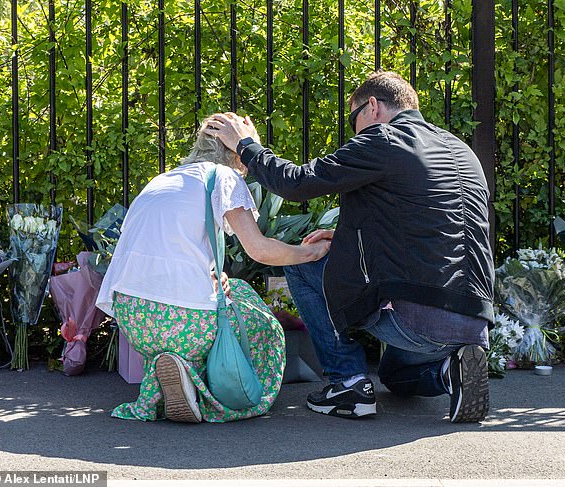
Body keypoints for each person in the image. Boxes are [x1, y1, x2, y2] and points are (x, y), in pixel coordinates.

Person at [204, 70, 495, 423]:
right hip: (473, 322)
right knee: (395, 378)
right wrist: (342, 240)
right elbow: (424, 229)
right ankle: (451, 370)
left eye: (353, 118)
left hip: (416, 319)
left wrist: (246, 145)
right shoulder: (458, 147)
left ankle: (349, 383)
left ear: (372, 106)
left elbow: (296, 183)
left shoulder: (384, 139)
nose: (354, 130)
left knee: (301, 264)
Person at [95, 119, 330, 423]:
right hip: (186, 321)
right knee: (256, 314)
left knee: (224, 291)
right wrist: (311, 252)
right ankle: (220, 397)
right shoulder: (224, 177)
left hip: (135, 321)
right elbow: (258, 250)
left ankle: (177, 376)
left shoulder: (161, 180)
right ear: (236, 152)